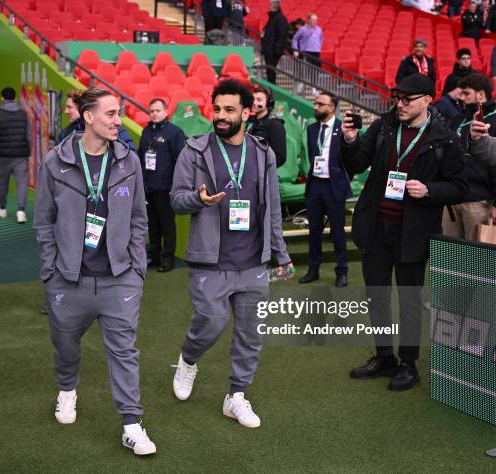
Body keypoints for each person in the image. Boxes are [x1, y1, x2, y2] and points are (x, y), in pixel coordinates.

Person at [34, 87, 155, 455]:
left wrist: (136, 267)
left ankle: (132, 423)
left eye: (119, 114)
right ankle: (67, 389)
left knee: (124, 351)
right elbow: (43, 223)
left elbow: (138, 218)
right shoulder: (55, 162)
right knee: (66, 345)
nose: (119, 121)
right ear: (88, 117)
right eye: (111, 114)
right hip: (69, 279)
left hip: (120, 279)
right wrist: (52, 271)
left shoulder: (128, 161)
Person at [170, 79, 293, 428]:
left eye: (229, 110)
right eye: (217, 109)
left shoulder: (263, 152)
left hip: (253, 260)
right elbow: (176, 200)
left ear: (247, 112)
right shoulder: (194, 151)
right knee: (211, 321)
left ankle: (236, 396)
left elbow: (271, 206)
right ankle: (188, 359)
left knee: (251, 333)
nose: (221, 116)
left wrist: (280, 252)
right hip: (211, 260)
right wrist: (199, 199)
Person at [340, 74, 467, 391]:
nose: (399, 104)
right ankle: (385, 356)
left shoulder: (444, 138)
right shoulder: (383, 127)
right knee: (377, 296)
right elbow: (355, 164)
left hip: (414, 231)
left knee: (409, 300)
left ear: (427, 100)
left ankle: (408, 362)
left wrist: (428, 190)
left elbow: (459, 187)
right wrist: (350, 139)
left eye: (407, 99)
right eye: (397, 98)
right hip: (375, 228)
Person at [300, 93, 351, 287]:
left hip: (334, 186)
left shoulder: (343, 128)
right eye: (315, 103)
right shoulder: (312, 129)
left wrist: (343, 178)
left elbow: (352, 158)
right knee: (314, 231)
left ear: (331, 108)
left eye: (320, 104)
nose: (316, 106)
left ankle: (342, 271)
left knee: (338, 231)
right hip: (315, 185)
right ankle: (313, 269)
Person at [444, 73, 496, 240]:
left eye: (466, 93)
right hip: (451, 199)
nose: (461, 97)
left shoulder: (494, 119)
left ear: (480, 95)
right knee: (449, 259)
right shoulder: (455, 120)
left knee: (477, 262)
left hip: (479, 199)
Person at [138, 98, 186, 272]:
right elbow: (141, 156)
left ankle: (167, 259)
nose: (154, 114)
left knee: (167, 225)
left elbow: (180, 161)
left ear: (166, 111)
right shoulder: (146, 131)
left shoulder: (175, 133)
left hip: (166, 188)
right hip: (148, 186)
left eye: (158, 110)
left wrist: (175, 185)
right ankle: (154, 255)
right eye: (151, 111)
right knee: (152, 224)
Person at [0, 87, 31, 224]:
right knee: (22, 183)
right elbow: (29, 137)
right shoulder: (24, 114)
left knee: (2, 182)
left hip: (3, 156)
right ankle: (21, 211)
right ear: (15, 97)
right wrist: (27, 151)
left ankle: (2, 208)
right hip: (20, 155)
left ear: (2, 98)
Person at [58, 90, 138, 153]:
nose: (66, 111)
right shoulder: (66, 133)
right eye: (110, 114)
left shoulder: (115, 129)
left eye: (69, 107)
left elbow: (131, 157)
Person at [247, 85, 287, 167]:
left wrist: (261, 167)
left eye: (259, 100)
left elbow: (280, 157)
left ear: (269, 103)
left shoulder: (275, 124)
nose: (254, 103)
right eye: (253, 99)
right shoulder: (249, 121)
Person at [260, 0, 289, 84]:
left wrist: (277, 50)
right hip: (269, 49)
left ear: (274, 7)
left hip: (273, 50)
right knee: (269, 70)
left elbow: (282, 35)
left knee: (271, 70)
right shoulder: (273, 18)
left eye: (270, 6)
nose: (269, 7)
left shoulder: (280, 18)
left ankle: (272, 88)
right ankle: (271, 87)